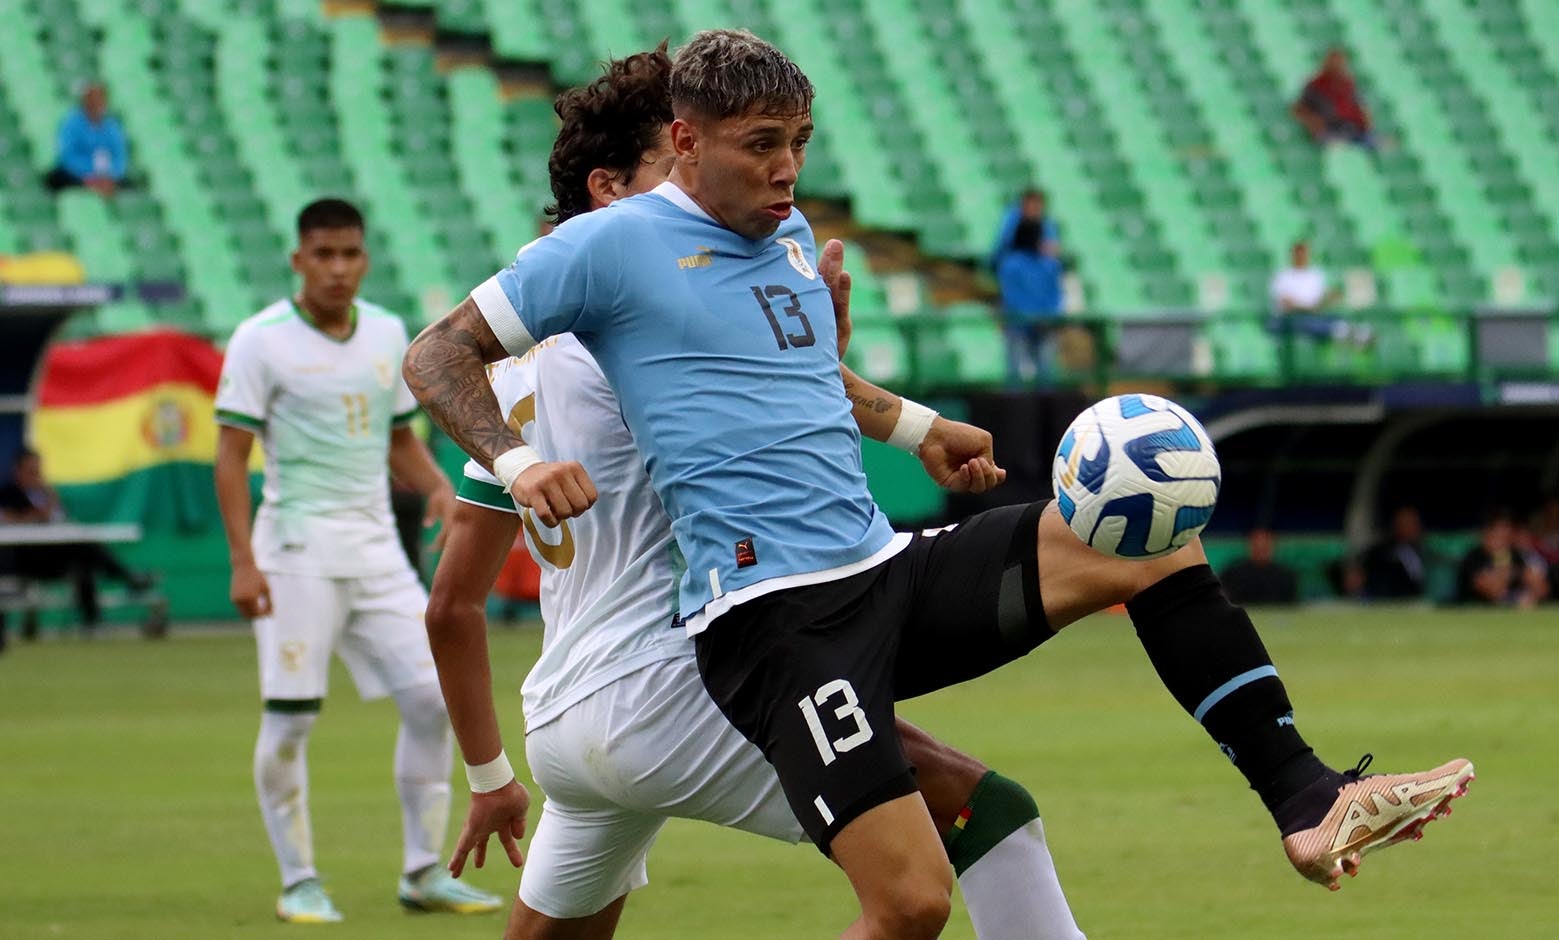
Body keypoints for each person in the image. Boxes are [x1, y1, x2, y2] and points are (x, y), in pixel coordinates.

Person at [404, 30, 1472, 937]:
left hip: (878, 570)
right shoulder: (605, 247)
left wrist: (916, 429)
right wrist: (514, 458)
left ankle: (1305, 795)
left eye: (799, 145)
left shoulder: (777, 235)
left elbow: (798, 371)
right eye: (760, 146)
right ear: (682, 142)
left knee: (1144, 538)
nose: (787, 171)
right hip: (773, 626)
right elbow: (436, 353)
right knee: (912, 902)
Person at [425, 46, 1084, 940]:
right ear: (612, 191)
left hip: (565, 714)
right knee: (979, 819)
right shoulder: (631, 313)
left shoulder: (517, 372)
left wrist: (487, 773)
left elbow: (451, 604)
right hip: (670, 683)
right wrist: (848, 372)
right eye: (675, 163)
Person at [213, 198, 502, 923]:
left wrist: (439, 490)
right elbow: (230, 455)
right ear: (298, 260)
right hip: (296, 555)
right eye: (323, 255)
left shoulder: (386, 330)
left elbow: (398, 436)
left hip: (375, 552)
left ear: (365, 258)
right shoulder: (259, 341)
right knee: (291, 720)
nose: (338, 269)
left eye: (349, 254)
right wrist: (243, 561)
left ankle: (422, 870)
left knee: (435, 701)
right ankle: (298, 880)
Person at [0, 447, 152, 632]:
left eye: (38, 470)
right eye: (31, 471)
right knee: (85, 547)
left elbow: (59, 517)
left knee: (83, 562)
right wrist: (37, 516)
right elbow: (9, 521)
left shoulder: (46, 494)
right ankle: (127, 577)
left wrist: (50, 499)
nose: (36, 475)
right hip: (25, 559)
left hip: (55, 556)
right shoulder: (7, 494)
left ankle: (93, 621)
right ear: (18, 471)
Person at [990, 188, 1063, 387]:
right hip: (1019, 323)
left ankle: (1047, 414)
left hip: (1042, 323)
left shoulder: (1049, 264)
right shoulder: (1011, 260)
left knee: (1046, 374)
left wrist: (1049, 317)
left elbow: (1055, 295)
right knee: (1015, 372)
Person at [1268, 240, 1370, 346]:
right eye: (1298, 253)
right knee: (1307, 323)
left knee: (1335, 318)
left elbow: (1321, 298)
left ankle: (1350, 333)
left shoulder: (1315, 275)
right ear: (1293, 254)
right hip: (1290, 318)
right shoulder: (1283, 276)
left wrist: (1333, 297)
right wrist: (1310, 308)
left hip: (1314, 315)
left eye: (1304, 253)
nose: (1301, 256)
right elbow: (1286, 304)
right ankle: (1346, 334)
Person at [42, 82, 129, 196]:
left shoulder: (112, 127)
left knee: (129, 186)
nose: (96, 105)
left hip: (106, 177)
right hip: (77, 175)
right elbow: (67, 156)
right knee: (55, 178)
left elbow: (120, 158)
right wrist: (89, 175)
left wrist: (109, 176)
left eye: (99, 101)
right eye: (92, 100)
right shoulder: (71, 123)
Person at [1455, 510, 1549, 608]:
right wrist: (1504, 569)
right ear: (1486, 534)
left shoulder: (1516, 555)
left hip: (1512, 611)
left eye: (1506, 535)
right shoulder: (1474, 557)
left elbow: (1541, 589)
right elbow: (1493, 591)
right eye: (1497, 534)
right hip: (1475, 610)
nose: (1502, 539)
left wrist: (1532, 586)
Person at [1292, 48, 1374, 150]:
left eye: (1340, 64)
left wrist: (1365, 123)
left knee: (1381, 145)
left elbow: (1363, 111)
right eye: (1333, 64)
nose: (1337, 68)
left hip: (1351, 129)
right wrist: (1312, 122)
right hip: (1328, 131)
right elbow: (1299, 109)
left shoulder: (1348, 85)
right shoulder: (1314, 86)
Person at [1358, 506, 1430, 600]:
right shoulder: (1378, 554)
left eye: (1414, 523)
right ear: (1396, 526)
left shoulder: (1426, 552)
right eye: (1406, 524)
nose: (1412, 528)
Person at [1220, 528, 1300, 606]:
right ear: (1250, 544)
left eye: (1265, 542)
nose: (1260, 545)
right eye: (1257, 542)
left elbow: (1292, 606)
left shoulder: (1286, 576)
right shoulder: (1232, 574)